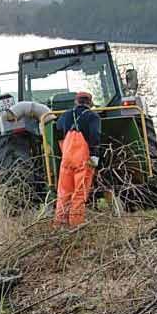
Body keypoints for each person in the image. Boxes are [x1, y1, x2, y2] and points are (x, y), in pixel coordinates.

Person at [54, 92, 101, 226]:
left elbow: (58, 132)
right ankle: (75, 227)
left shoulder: (65, 115)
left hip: (67, 159)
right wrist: (94, 156)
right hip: (83, 160)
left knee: (63, 193)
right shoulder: (93, 116)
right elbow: (95, 136)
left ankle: (60, 225)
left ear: (76, 101)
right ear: (89, 103)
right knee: (79, 194)